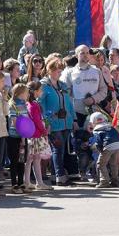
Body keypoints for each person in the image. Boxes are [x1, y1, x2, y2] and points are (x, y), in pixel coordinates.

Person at [40, 58, 76, 186]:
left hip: (66, 122)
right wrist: (47, 120)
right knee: (57, 149)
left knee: (61, 151)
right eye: (57, 71)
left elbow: (69, 103)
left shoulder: (63, 85)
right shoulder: (43, 85)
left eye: (61, 71)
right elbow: (40, 105)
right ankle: (60, 177)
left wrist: (74, 118)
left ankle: (57, 175)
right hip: (53, 124)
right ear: (50, 70)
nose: (60, 73)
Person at [25, 81, 52, 190]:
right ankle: (37, 183)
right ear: (35, 91)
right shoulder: (33, 105)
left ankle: (29, 181)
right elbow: (37, 120)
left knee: (31, 159)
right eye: (40, 89)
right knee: (33, 159)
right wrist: (44, 130)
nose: (42, 91)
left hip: (33, 134)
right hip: (36, 135)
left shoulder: (29, 104)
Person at [7, 84, 30, 194]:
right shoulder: (13, 105)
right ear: (21, 93)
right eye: (26, 92)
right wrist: (21, 135)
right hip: (14, 137)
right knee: (14, 161)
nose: (28, 94)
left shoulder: (24, 104)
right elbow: (15, 121)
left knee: (22, 160)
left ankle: (21, 183)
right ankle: (14, 184)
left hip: (22, 137)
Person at [89, 111, 119, 188]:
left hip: (108, 146)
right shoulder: (109, 126)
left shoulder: (97, 129)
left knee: (101, 164)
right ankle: (115, 181)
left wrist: (100, 150)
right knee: (114, 164)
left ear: (93, 121)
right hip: (118, 145)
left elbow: (98, 142)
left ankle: (104, 182)